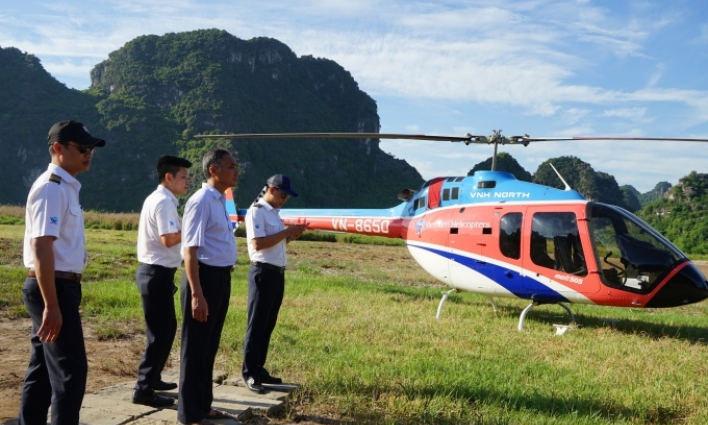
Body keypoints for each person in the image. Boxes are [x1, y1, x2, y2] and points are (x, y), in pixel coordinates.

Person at [19, 120, 105, 425]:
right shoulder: (51, 188)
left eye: (91, 148)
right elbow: (42, 246)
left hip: (58, 285)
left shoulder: (65, 186)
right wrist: (52, 306)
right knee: (71, 373)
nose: (89, 154)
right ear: (58, 149)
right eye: (82, 148)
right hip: (52, 287)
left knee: (43, 369)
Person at [178, 149, 239, 425]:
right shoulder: (201, 200)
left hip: (220, 278)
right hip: (203, 279)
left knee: (208, 347)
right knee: (195, 348)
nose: (236, 171)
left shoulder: (220, 201)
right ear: (214, 170)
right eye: (231, 166)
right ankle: (189, 415)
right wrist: (196, 293)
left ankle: (203, 406)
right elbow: (189, 250)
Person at [132, 155, 192, 408]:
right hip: (156, 273)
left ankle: (153, 377)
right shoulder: (165, 202)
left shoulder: (159, 199)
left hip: (157, 274)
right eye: (183, 177)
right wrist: (193, 228)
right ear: (169, 177)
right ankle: (143, 389)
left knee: (166, 329)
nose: (187, 182)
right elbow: (169, 239)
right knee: (160, 333)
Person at [242, 174, 307, 394]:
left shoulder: (275, 214)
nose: (283, 200)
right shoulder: (256, 212)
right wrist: (286, 232)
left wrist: (291, 235)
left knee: (268, 324)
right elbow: (258, 243)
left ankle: (259, 368)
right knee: (257, 324)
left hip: (277, 273)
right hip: (262, 272)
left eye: (286, 197)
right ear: (271, 190)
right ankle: (249, 372)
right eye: (282, 195)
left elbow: (276, 241)